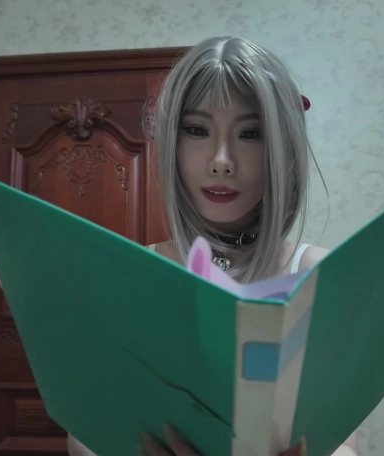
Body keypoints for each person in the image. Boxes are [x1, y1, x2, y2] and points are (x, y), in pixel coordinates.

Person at [67, 35, 359, 456]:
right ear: (172, 142)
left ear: (282, 148)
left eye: (251, 133)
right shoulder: (132, 273)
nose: (222, 160)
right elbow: (84, 432)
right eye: (197, 130)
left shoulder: (317, 273)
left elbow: (344, 443)